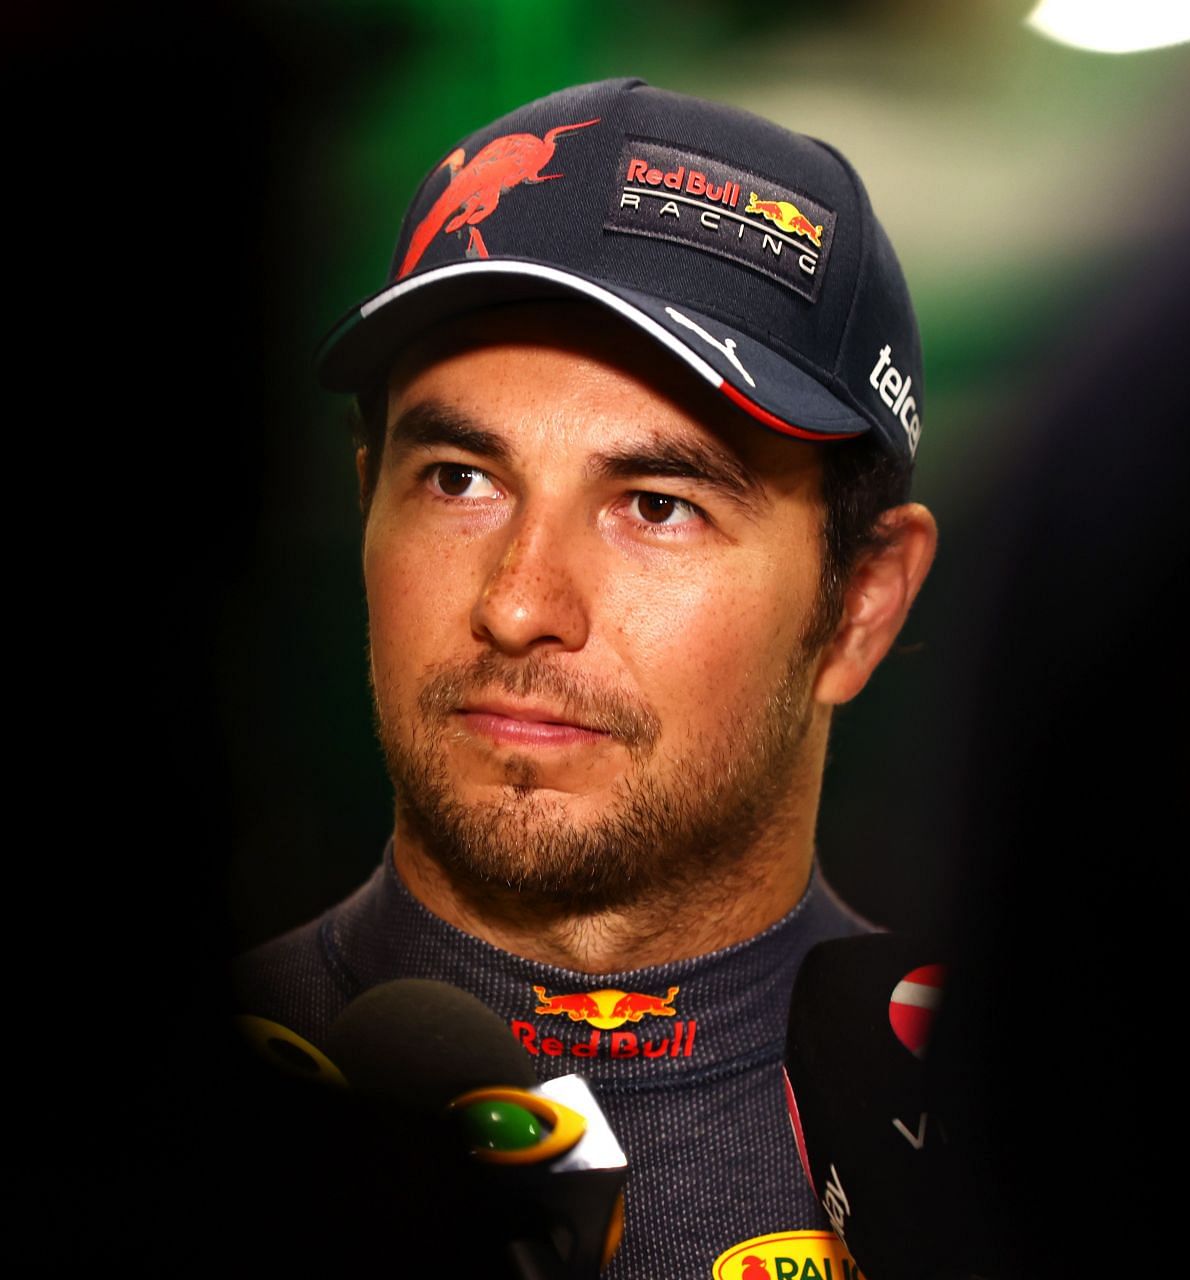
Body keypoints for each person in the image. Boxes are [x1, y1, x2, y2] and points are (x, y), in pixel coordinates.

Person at [234, 77, 937, 1278]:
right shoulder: (108, 1132)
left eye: (655, 505)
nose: (517, 603)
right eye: (460, 479)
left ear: (860, 606)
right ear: (363, 508)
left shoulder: (1058, 1156)